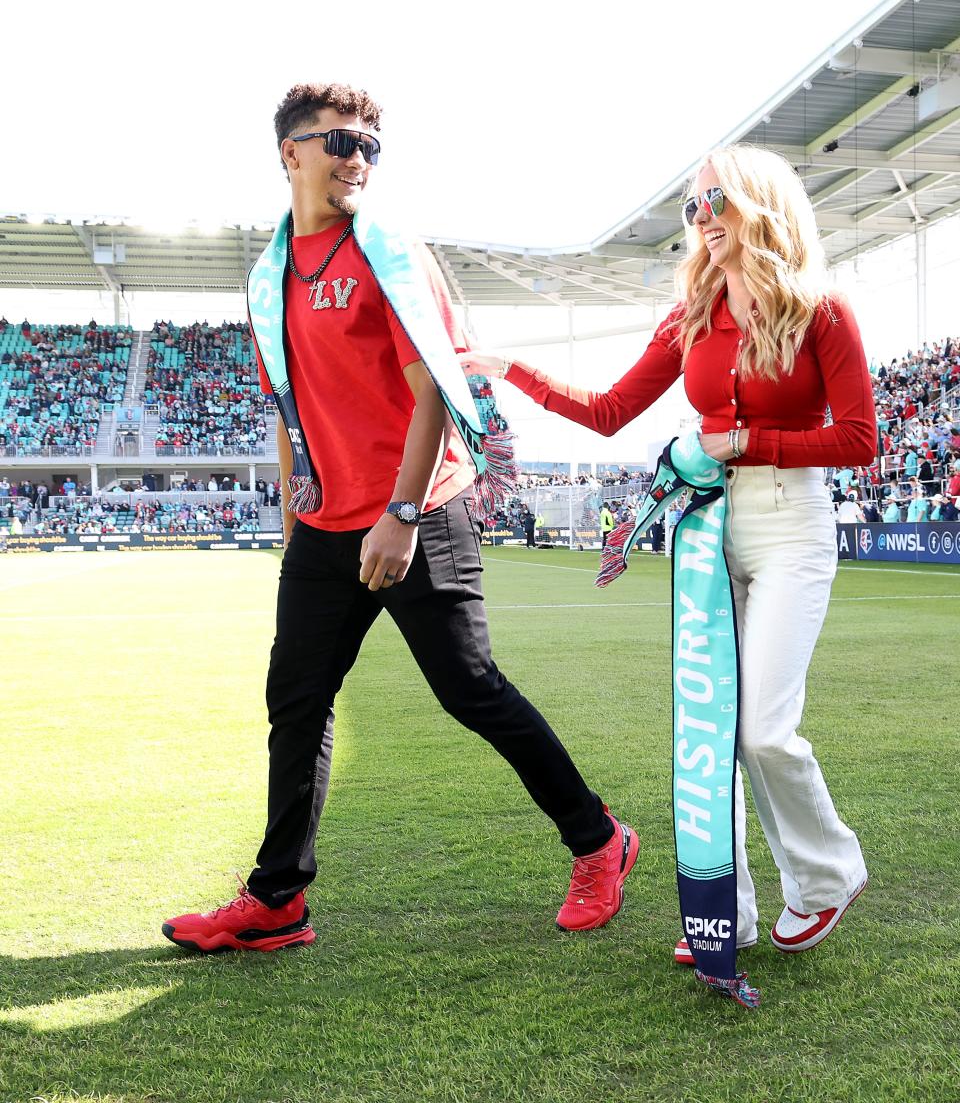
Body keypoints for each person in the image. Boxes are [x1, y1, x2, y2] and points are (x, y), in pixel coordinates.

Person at [162, 81, 637, 954]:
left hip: (421, 510)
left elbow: (434, 393)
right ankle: (277, 900)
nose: (358, 159)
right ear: (290, 153)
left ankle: (600, 840)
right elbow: (286, 400)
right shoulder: (271, 273)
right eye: (339, 141)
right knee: (296, 702)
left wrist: (403, 514)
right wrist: (290, 511)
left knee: (470, 691)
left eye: (372, 146)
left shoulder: (391, 254)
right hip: (325, 524)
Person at [461, 143, 874, 967]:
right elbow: (612, 410)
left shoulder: (822, 308)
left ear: (757, 204)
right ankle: (726, 914)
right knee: (713, 731)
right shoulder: (692, 315)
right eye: (691, 208)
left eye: (712, 201)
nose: (700, 220)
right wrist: (512, 368)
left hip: (792, 526)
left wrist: (751, 440)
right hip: (709, 532)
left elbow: (860, 438)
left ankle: (827, 877)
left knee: (762, 731)